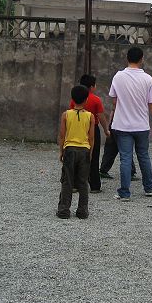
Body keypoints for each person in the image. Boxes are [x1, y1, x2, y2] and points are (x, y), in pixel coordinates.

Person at [109, 46, 152, 201]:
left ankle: (125, 192)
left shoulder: (118, 77)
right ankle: (149, 188)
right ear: (141, 59)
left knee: (125, 158)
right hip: (141, 125)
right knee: (144, 156)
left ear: (127, 58)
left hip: (122, 125)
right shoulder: (147, 79)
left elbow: (114, 100)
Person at [56, 85, 95, 219]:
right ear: (86, 100)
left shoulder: (66, 115)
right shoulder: (90, 116)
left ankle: (64, 210)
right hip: (84, 150)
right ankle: (82, 211)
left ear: (72, 99)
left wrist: (61, 151)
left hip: (70, 149)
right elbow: (91, 137)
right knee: (83, 181)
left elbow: (62, 135)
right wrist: (90, 152)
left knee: (67, 180)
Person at [70, 74, 110, 193]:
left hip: (78, 129)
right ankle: (95, 185)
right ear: (92, 87)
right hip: (93, 129)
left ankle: (75, 184)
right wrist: (106, 129)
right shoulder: (96, 99)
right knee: (94, 157)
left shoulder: (74, 99)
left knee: (77, 156)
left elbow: (72, 113)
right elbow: (101, 116)